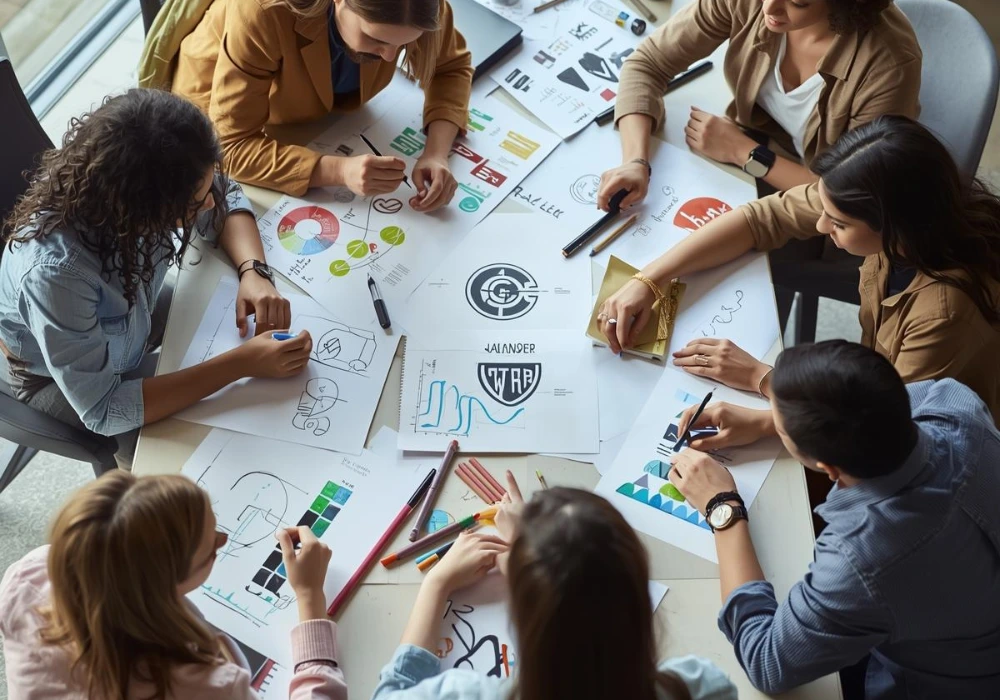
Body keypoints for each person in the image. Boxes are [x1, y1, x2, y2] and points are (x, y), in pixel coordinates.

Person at [598, 116, 1000, 425]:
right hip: (872, 390)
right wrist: (649, 279)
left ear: (893, 224)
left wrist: (766, 380)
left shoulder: (944, 314)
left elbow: (886, 425)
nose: (822, 227)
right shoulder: (890, 209)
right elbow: (762, 217)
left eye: (838, 224)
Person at [666, 340, 1000, 698]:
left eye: (782, 432)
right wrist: (770, 423)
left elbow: (766, 663)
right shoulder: (952, 400)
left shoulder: (862, 562)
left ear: (827, 469)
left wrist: (723, 508)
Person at [0, 89, 313, 467]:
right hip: (51, 379)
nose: (208, 203)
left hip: (134, 310)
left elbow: (225, 191)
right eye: (194, 204)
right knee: (175, 462)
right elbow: (104, 410)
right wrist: (241, 364)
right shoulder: (56, 276)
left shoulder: (131, 185)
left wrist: (255, 272)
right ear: (141, 209)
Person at [370, 474, 738, 700]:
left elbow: (392, 693)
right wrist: (536, 550)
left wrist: (436, 584)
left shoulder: (465, 693)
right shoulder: (700, 687)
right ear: (637, 599)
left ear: (521, 611)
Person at [0, 471, 347, 699]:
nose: (224, 539)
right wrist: (309, 596)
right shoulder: (206, 685)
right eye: (211, 548)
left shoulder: (27, 576)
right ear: (160, 587)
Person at [599, 0, 920, 209]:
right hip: (759, 142)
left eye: (797, 3)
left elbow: (852, 198)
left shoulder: (888, 65)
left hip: (829, 205)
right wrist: (635, 161)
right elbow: (648, 63)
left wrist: (746, 153)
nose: (769, 9)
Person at [159, 0, 472, 207]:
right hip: (213, 105)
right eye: (376, 39)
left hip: (323, 118)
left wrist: (436, 154)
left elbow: (451, 67)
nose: (390, 57)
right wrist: (336, 170)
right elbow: (231, 147)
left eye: (405, 44)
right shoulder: (263, 10)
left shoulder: (417, 5)